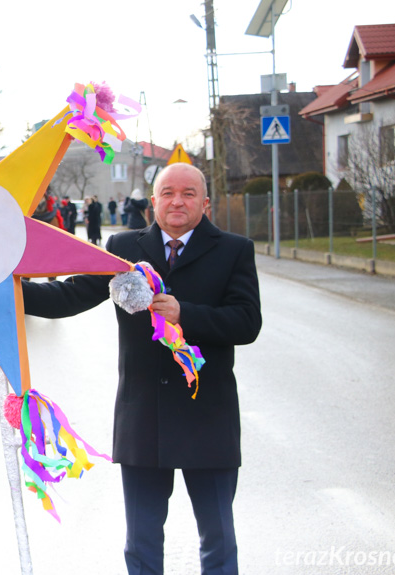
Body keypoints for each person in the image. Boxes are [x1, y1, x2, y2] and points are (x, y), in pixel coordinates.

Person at [21, 163, 261, 575]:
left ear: (205, 202)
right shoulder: (123, 247)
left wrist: (187, 314)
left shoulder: (233, 249)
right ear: (153, 202)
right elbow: (70, 296)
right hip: (143, 418)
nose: (177, 201)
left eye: (188, 193)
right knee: (142, 541)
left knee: (218, 538)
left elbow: (246, 322)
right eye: (168, 192)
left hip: (209, 418)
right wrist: (4, 290)